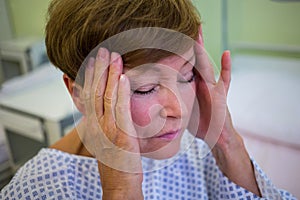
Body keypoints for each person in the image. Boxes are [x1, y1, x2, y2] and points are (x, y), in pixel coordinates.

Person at [0, 0, 296, 199]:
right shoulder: (38, 187)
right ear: (79, 93)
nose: (179, 110)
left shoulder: (199, 152)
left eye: (186, 75)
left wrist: (227, 143)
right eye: (145, 89)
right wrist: (121, 189)